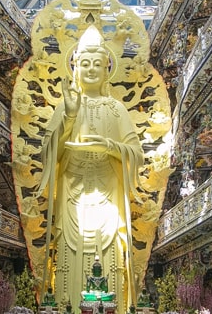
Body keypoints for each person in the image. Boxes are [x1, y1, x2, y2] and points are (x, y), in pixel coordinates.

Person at [36, 25, 144, 309]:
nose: (91, 69)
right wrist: (70, 117)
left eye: (97, 63)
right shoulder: (65, 106)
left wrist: (109, 147)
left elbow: (136, 153)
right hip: (72, 191)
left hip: (108, 192)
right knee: (70, 251)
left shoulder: (116, 109)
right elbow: (50, 154)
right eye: (85, 63)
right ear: (75, 68)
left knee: (109, 250)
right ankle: (67, 306)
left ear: (108, 69)